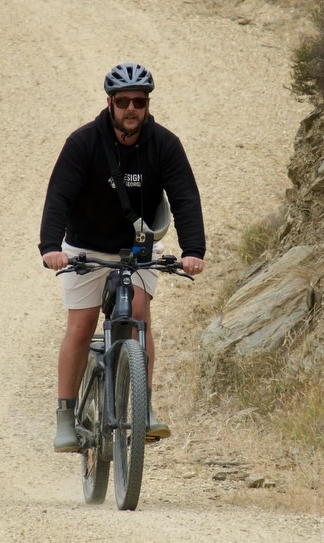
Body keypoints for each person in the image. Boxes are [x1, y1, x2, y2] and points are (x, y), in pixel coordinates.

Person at [38, 62, 206, 453]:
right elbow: (58, 196)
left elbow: (184, 197)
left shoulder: (164, 145)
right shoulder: (83, 143)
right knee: (81, 327)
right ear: (110, 103)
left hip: (138, 250)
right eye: (123, 101)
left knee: (140, 317)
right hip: (86, 248)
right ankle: (65, 419)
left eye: (139, 101)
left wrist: (193, 250)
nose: (132, 108)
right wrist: (50, 247)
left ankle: (142, 410)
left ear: (147, 104)